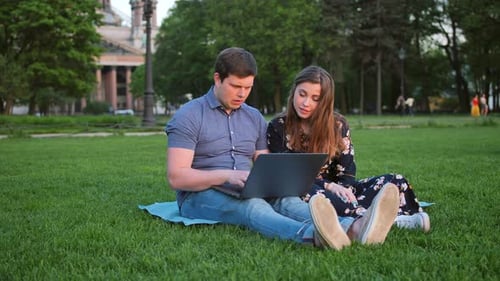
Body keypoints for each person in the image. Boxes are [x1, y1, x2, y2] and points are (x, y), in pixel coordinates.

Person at [165, 47, 399, 250]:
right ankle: (313, 236)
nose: (242, 94)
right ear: (217, 79)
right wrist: (227, 175)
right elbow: (177, 177)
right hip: (199, 195)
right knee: (253, 207)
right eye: (236, 86)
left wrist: (270, 182)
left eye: (248, 87)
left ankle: (354, 228)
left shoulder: (253, 117)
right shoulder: (189, 115)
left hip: (244, 186)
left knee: (286, 200)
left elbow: (265, 162)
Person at [267, 65, 430, 233]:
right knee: (315, 195)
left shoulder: (337, 124)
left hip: (340, 190)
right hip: (305, 190)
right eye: (302, 94)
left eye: (315, 98)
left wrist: (344, 191)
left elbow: (347, 173)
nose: (306, 103)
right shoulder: (277, 127)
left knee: (395, 181)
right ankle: (385, 219)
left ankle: (378, 217)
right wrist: (329, 187)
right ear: (294, 91)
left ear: (324, 102)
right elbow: (286, 174)